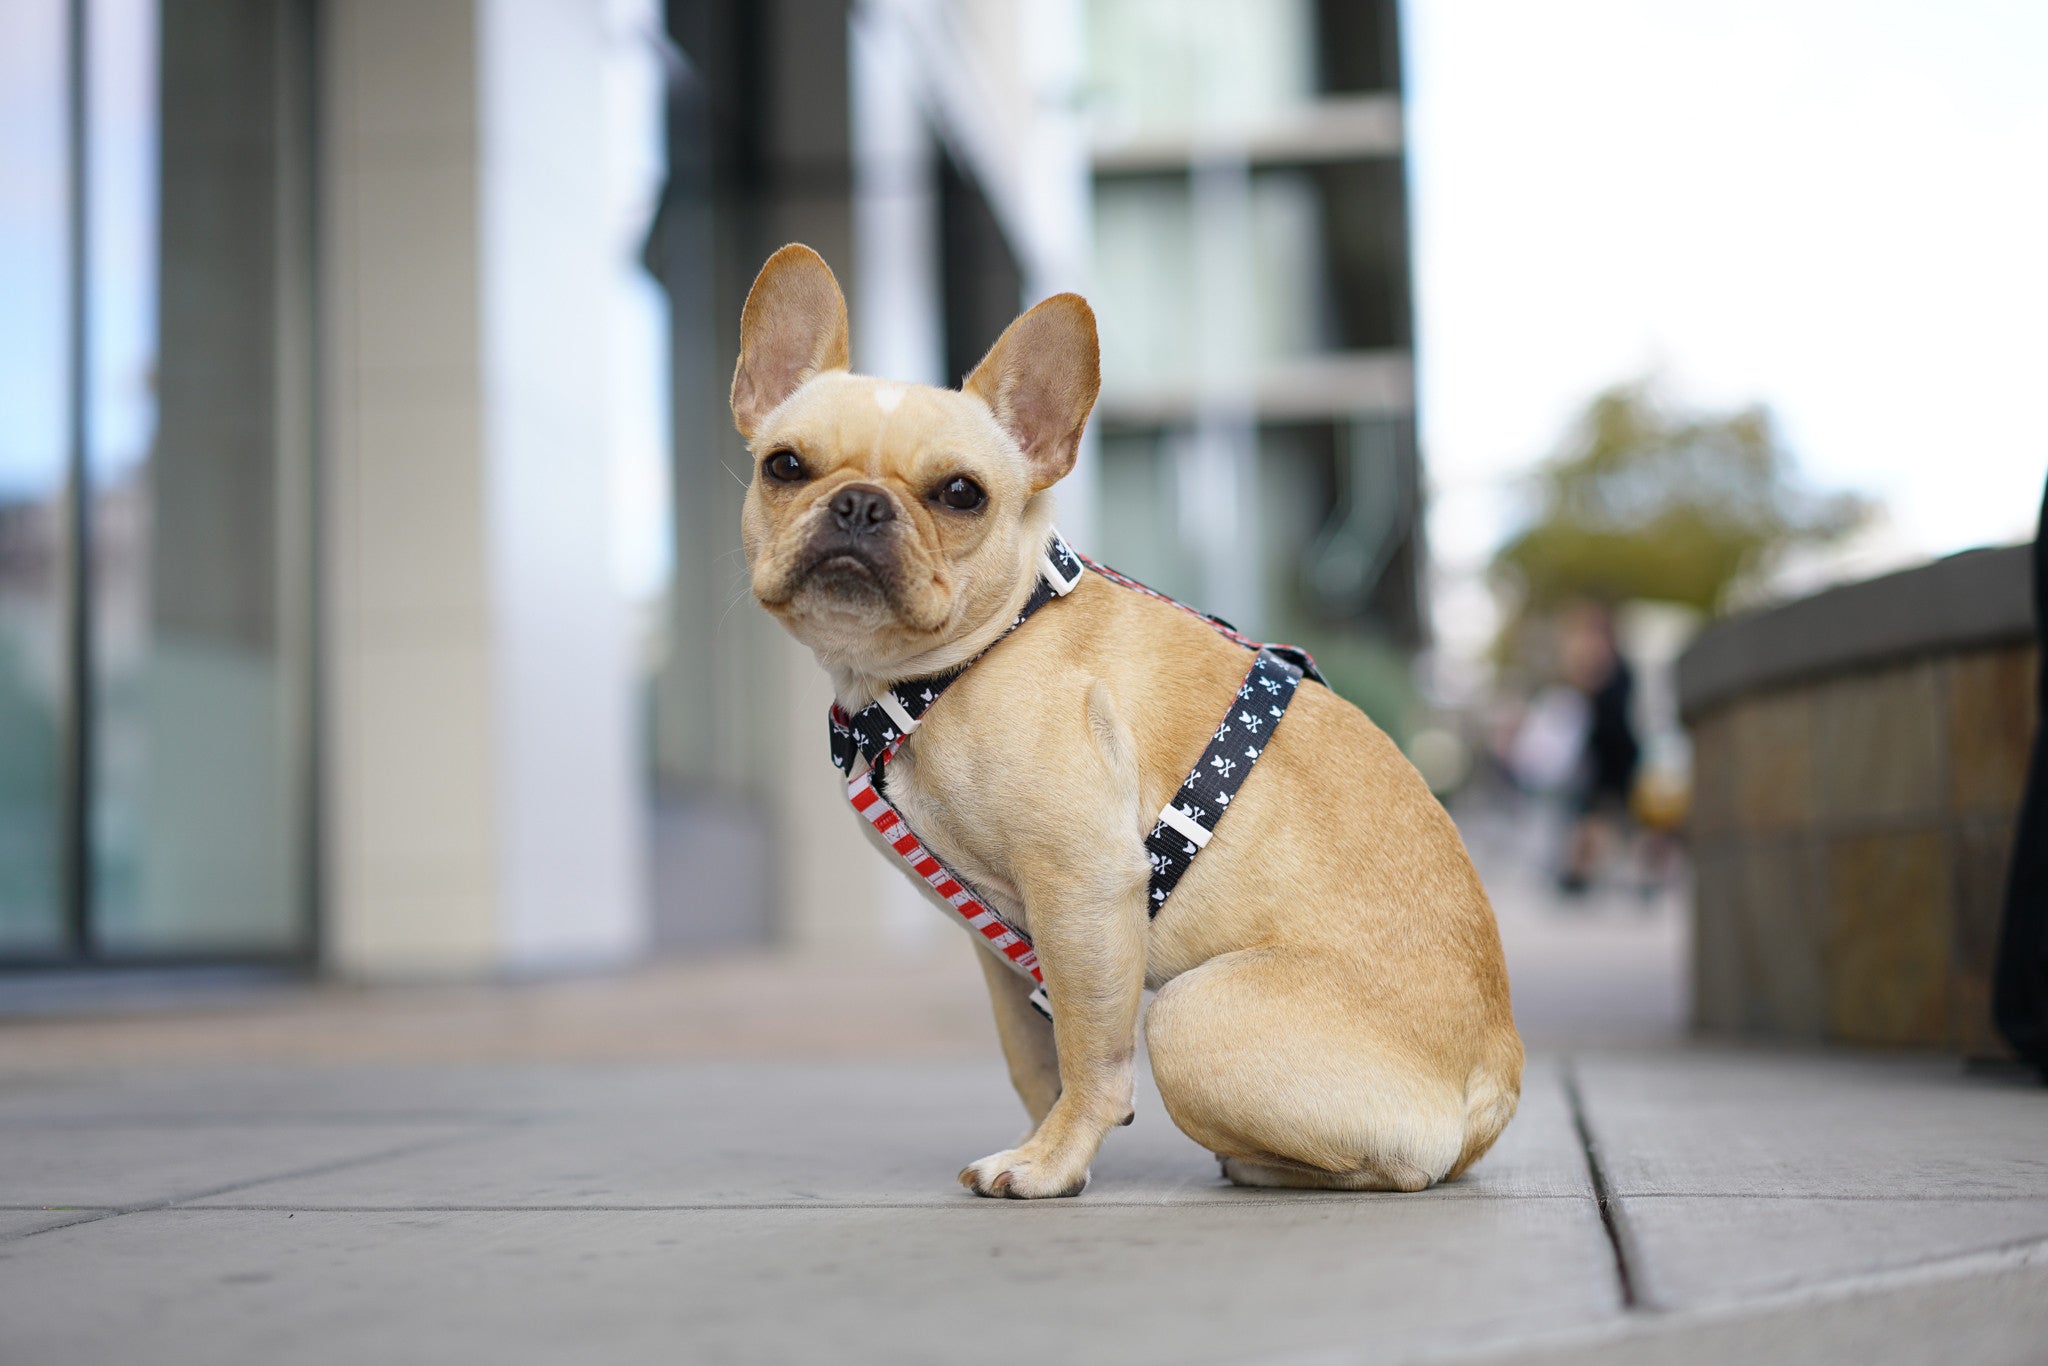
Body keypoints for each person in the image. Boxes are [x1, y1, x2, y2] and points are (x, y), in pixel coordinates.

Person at [1556, 604, 1640, 895]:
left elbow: (1614, 712)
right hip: (1600, 755)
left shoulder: (1618, 669)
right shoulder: (1602, 667)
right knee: (1597, 814)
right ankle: (1579, 872)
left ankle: (1581, 872)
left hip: (1616, 753)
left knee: (1606, 815)